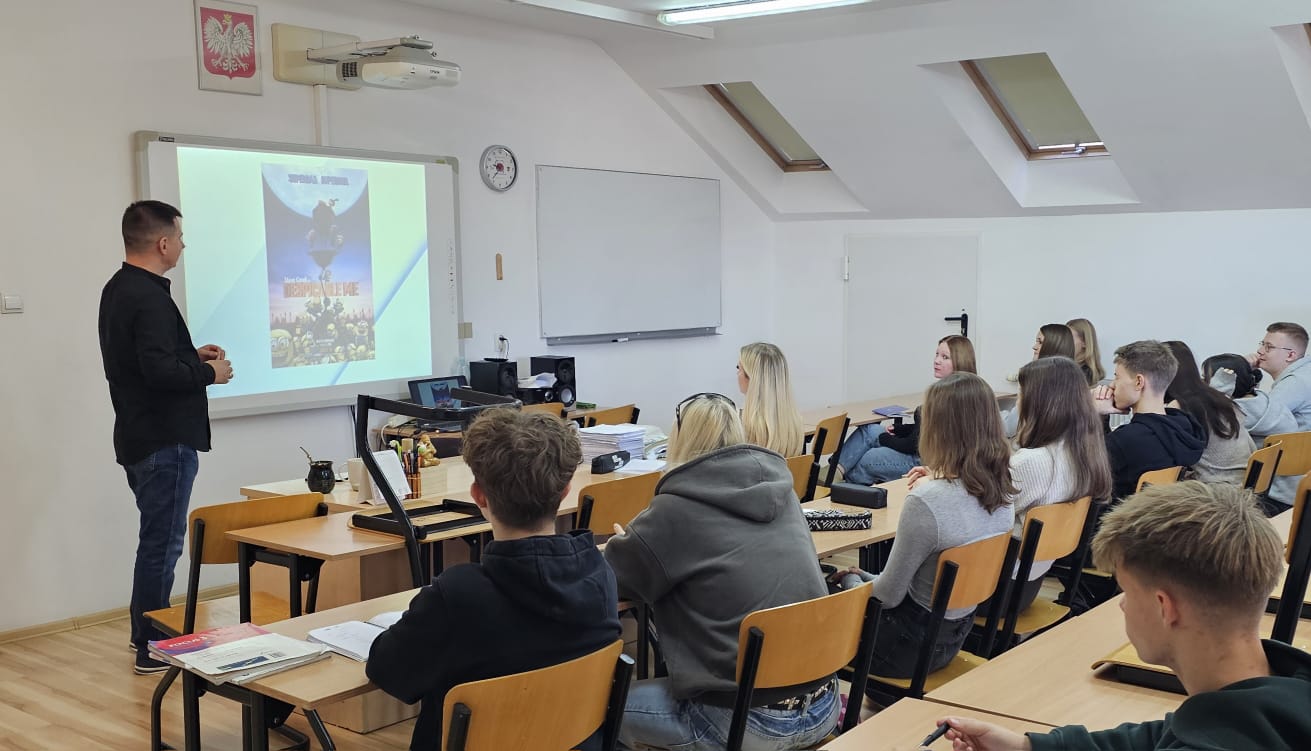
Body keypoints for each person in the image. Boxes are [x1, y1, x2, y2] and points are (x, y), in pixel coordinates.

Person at [937, 481, 1311, 751]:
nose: (1122, 606)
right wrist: (1025, 747)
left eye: (1127, 593)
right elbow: (1163, 736)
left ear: (1166, 608)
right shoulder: (1276, 693)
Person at [367, 409, 620, 751]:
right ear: (565, 492)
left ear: (479, 496)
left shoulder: (456, 596)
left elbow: (388, 672)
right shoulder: (598, 572)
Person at [606, 393, 836, 751]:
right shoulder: (783, 490)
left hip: (747, 721)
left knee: (601, 707)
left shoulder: (676, 509)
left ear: (680, 439)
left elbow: (614, 578)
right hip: (825, 704)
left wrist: (629, 542)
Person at [99, 200, 233, 675]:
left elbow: (142, 362)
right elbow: (158, 373)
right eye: (179, 237)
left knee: (156, 540)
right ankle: (152, 645)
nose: (182, 245)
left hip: (138, 435)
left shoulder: (119, 289)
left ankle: (147, 634)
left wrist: (189, 354)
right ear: (162, 243)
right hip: (163, 441)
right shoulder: (150, 296)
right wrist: (208, 372)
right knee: (162, 544)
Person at [839, 373, 1015, 679]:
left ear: (938, 429)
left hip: (902, 649)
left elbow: (887, 596)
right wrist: (865, 575)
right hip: (952, 640)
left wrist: (850, 584)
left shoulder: (926, 501)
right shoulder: (1003, 492)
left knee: (819, 611)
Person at [1004, 357, 1112, 611]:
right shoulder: (1083, 453)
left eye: (1021, 392)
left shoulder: (1033, 462)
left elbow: (984, 512)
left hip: (993, 590)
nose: (1018, 401)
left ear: (1039, 400)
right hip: (1029, 584)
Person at [835, 336, 976, 485]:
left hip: (926, 462)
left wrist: (884, 439)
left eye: (945, 357)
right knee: (870, 430)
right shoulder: (949, 390)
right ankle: (833, 473)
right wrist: (901, 429)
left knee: (869, 458)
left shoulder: (952, 397)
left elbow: (913, 445)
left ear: (960, 361)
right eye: (937, 354)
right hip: (921, 451)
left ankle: (842, 490)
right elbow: (925, 430)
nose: (937, 361)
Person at [1093, 341, 1205, 501]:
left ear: (1139, 382)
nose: (1112, 385)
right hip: (1153, 519)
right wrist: (1102, 418)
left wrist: (1091, 414)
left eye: (1117, 377)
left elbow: (1082, 471)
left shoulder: (1126, 440)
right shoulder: (1184, 427)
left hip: (1116, 522)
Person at [1162, 341, 1254, 486]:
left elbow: (1168, 456)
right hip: (1242, 486)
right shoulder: (1219, 398)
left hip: (1216, 493)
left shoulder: (1180, 405)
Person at [1203, 353, 1297, 442]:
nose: (1201, 383)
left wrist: (1216, 391)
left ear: (1223, 382)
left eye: (1205, 378)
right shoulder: (1263, 399)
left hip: (1257, 457)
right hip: (1290, 455)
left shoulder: (1237, 411)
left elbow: (1204, 417)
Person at [738, 342, 805, 457]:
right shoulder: (795, 423)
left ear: (752, 378)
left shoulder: (743, 428)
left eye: (739, 368)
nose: (737, 373)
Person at [1249, 322, 1311, 431]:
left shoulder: (1295, 382)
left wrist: (1241, 371)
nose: (1260, 351)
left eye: (1269, 347)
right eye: (1262, 344)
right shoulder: (1305, 371)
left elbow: (1256, 420)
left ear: (1290, 355)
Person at [1066, 318, 1105, 384]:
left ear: (1085, 342)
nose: (1063, 341)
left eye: (1069, 337)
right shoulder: (1066, 368)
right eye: (1063, 337)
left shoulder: (1080, 376)